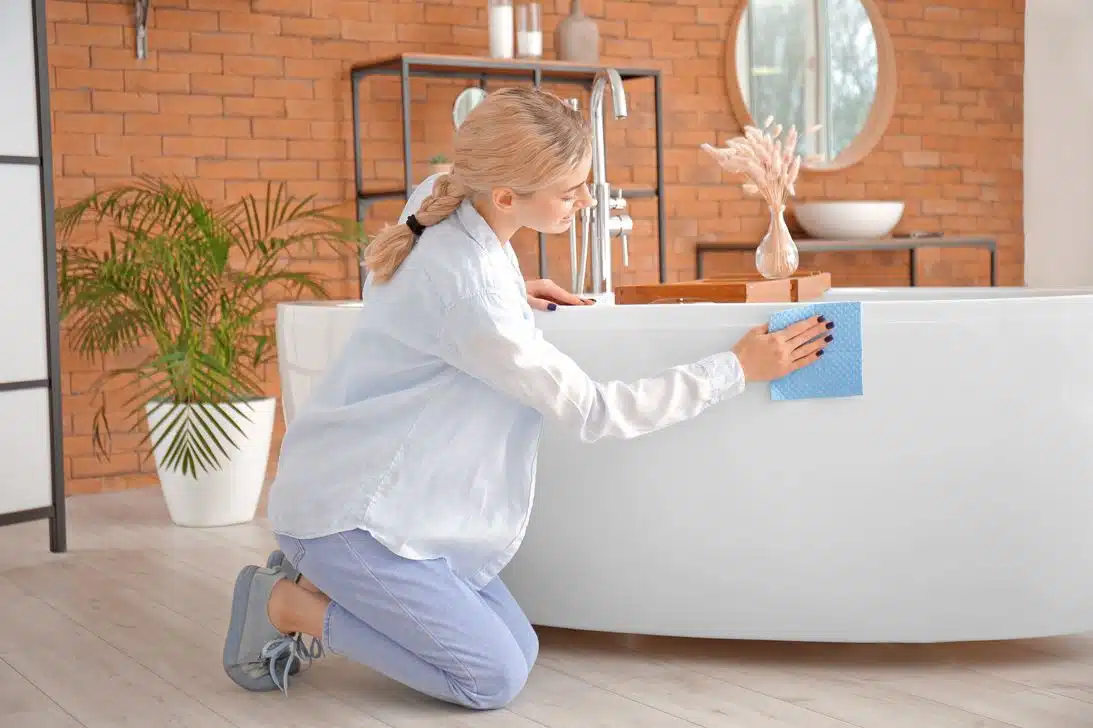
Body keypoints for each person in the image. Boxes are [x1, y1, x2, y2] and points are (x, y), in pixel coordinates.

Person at [220, 87, 834, 710]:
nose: (586, 201)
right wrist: (735, 368)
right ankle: (287, 602)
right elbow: (595, 411)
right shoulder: (473, 296)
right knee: (489, 680)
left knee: (522, 648)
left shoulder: (450, 194)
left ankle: (320, 583)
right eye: (570, 191)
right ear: (508, 196)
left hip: (393, 505)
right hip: (347, 517)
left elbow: (452, 295)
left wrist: (515, 294)